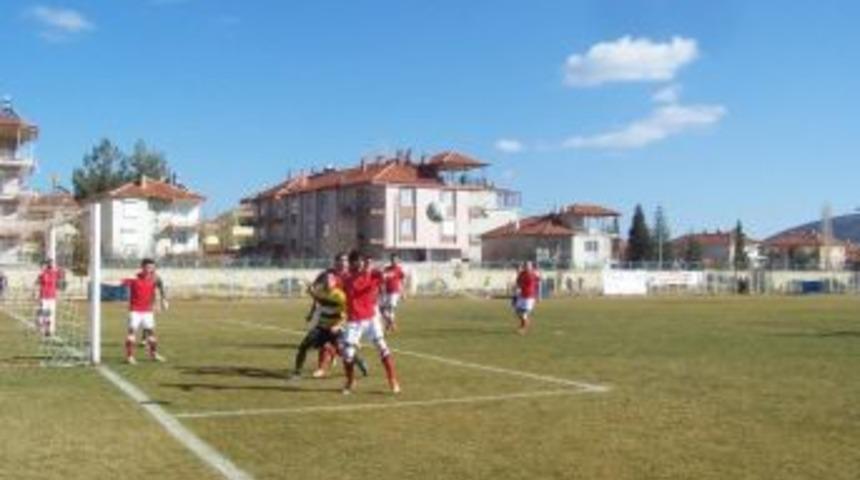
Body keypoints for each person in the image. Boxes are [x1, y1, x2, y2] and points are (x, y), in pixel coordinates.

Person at [340, 251, 400, 394]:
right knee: (347, 354)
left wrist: (385, 274)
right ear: (352, 263)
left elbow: (388, 275)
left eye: (361, 261)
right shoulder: (347, 277)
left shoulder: (373, 274)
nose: (360, 264)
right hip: (354, 321)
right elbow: (341, 285)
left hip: (371, 319)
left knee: (382, 347)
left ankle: (393, 380)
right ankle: (350, 381)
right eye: (356, 261)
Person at [304, 253, 368, 378]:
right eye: (340, 260)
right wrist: (312, 310)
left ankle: (358, 361)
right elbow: (318, 292)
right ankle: (321, 368)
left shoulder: (351, 275)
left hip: (343, 313)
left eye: (345, 260)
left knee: (341, 345)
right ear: (335, 262)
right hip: (327, 312)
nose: (343, 263)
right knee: (324, 340)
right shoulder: (328, 274)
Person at [289, 271, 347, 379]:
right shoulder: (321, 291)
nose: (327, 283)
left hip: (335, 327)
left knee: (344, 352)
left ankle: (359, 362)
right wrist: (311, 292)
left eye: (330, 281)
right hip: (322, 326)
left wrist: (338, 326)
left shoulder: (340, 295)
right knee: (303, 346)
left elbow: (344, 313)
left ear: (335, 282)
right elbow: (318, 299)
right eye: (326, 280)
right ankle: (297, 372)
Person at [120, 259, 168, 364]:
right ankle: (130, 357)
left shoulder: (154, 279)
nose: (150, 269)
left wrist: (162, 301)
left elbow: (159, 288)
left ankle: (153, 354)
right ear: (142, 267)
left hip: (148, 311)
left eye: (152, 267)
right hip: (135, 310)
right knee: (132, 332)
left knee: (151, 333)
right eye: (148, 267)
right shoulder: (134, 278)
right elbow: (119, 282)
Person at [380, 253, 407, 332]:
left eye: (395, 259)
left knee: (390, 308)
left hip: (394, 292)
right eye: (392, 259)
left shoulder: (399, 269)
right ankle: (390, 323)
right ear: (390, 260)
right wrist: (381, 289)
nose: (394, 261)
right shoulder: (386, 269)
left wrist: (403, 292)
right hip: (386, 292)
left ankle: (390, 324)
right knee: (382, 309)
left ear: (398, 260)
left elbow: (403, 281)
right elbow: (382, 280)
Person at [34, 259, 61, 337]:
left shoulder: (55, 273)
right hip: (44, 296)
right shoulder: (43, 273)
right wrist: (35, 292)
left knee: (50, 314)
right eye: (50, 263)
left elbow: (61, 275)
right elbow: (37, 282)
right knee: (44, 313)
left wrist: (57, 268)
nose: (51, 265)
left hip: (52, 297)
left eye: (52, 263)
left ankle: (49, 330)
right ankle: (43, 328)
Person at [513, 261, 541, 334]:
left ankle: (523, 328)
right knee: (517, 311)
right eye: (526, 266)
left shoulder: (533, 274)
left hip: (530, 296)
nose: (527, 267)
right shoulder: (522, 273)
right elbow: (518, 283)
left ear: (531, 267)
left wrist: (539, 296)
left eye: (528, 266)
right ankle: (524, 323)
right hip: (522, 295)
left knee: (524, 313)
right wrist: (516, 293)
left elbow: (538, 283)